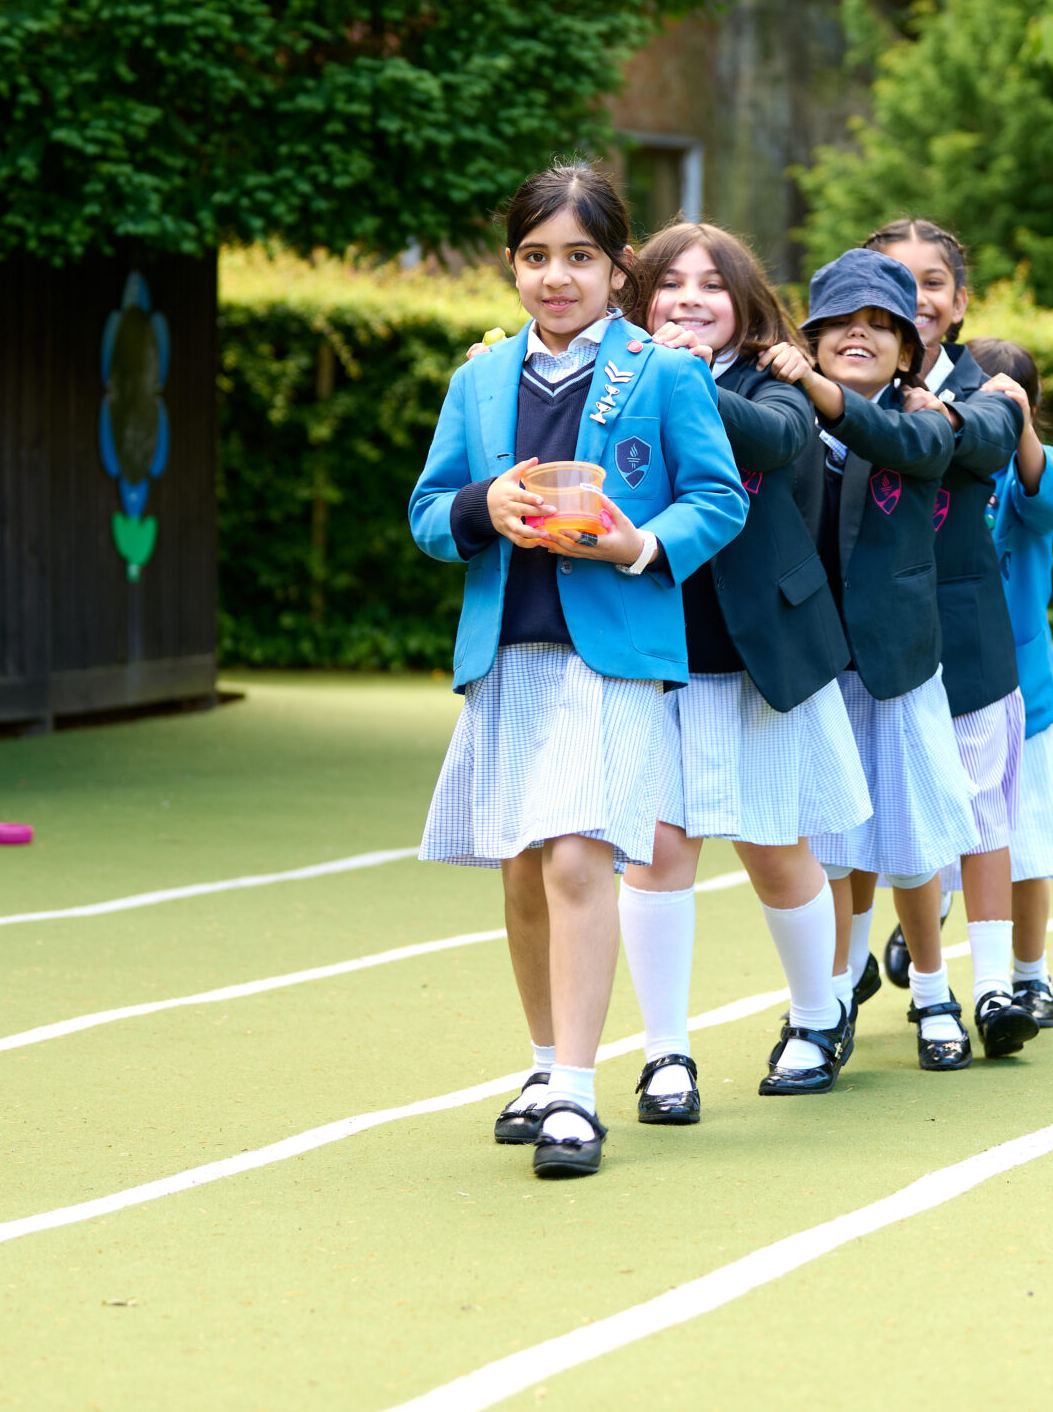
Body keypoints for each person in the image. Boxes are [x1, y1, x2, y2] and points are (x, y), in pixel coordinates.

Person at [408, 165, 747, 1179]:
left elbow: (717, 500)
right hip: (506, 648)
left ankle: (576, 1095)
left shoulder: (663, 373)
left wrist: (637, 546)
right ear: (512, 264)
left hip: (615, 654)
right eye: (537, 257)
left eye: (581, 258)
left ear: (618, 268)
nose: (558, 278)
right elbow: (431, 513)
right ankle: (541, 1061)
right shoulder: (477, 380)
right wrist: (485, 509)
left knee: (574, 857)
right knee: (520, 868)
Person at [605, 223, 869, 1120]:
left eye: (711, 286)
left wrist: (683, 378)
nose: (688, 299)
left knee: (772, 845)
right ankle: (665, 1054)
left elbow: (768, 442)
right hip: (653, 655)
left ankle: (817, 1012)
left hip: (758, 653)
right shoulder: (614, 382)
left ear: (746, 304)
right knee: (657, 851)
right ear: (638, 300)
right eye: (669, 284)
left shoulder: (777, 381)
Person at [760, 249, 987, 1074]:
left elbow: (901, 441)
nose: (861, 334)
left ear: (908, 348)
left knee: (911, 841)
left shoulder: (923, 417)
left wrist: (822, 394)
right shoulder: (780, 411)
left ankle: (933, 989)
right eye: (840, 323)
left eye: (882, 325)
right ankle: (825, 1003)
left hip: (896, 664)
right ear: (808, 337)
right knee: (829, 842)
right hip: (813, 666)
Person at [863, 218, 1040, 1061]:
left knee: (981, 815)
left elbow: (987, 439)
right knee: (869, 811)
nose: (919, 296)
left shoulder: (988, 389)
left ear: (960, 302)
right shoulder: (842, 380)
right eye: (897, 279)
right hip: (868, 636)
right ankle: (838, 987)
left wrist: (940, 416)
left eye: (935, 281)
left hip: (966, 634)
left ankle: (997, 987)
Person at [968, 335, 1053, 1027]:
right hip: (950, 680)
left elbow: (1052, 507)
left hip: (1025, 692)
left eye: (1012, 405)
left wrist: (1024, 433)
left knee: (1027, 840)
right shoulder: (944, 464)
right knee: (940, 831)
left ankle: (1030, 973)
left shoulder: (1036, 472)